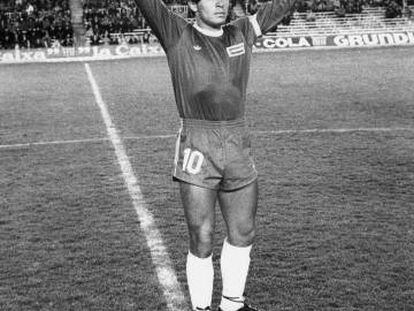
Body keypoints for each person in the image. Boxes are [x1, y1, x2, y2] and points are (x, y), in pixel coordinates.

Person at [134, 0, 296, 310]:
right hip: (198, 142)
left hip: (237, 141)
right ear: (194, 4)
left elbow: (282, 5)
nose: (221, 3)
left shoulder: (242, 31)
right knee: (202, 236)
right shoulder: (176, 32)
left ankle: (232, 305)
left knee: (243, 230)